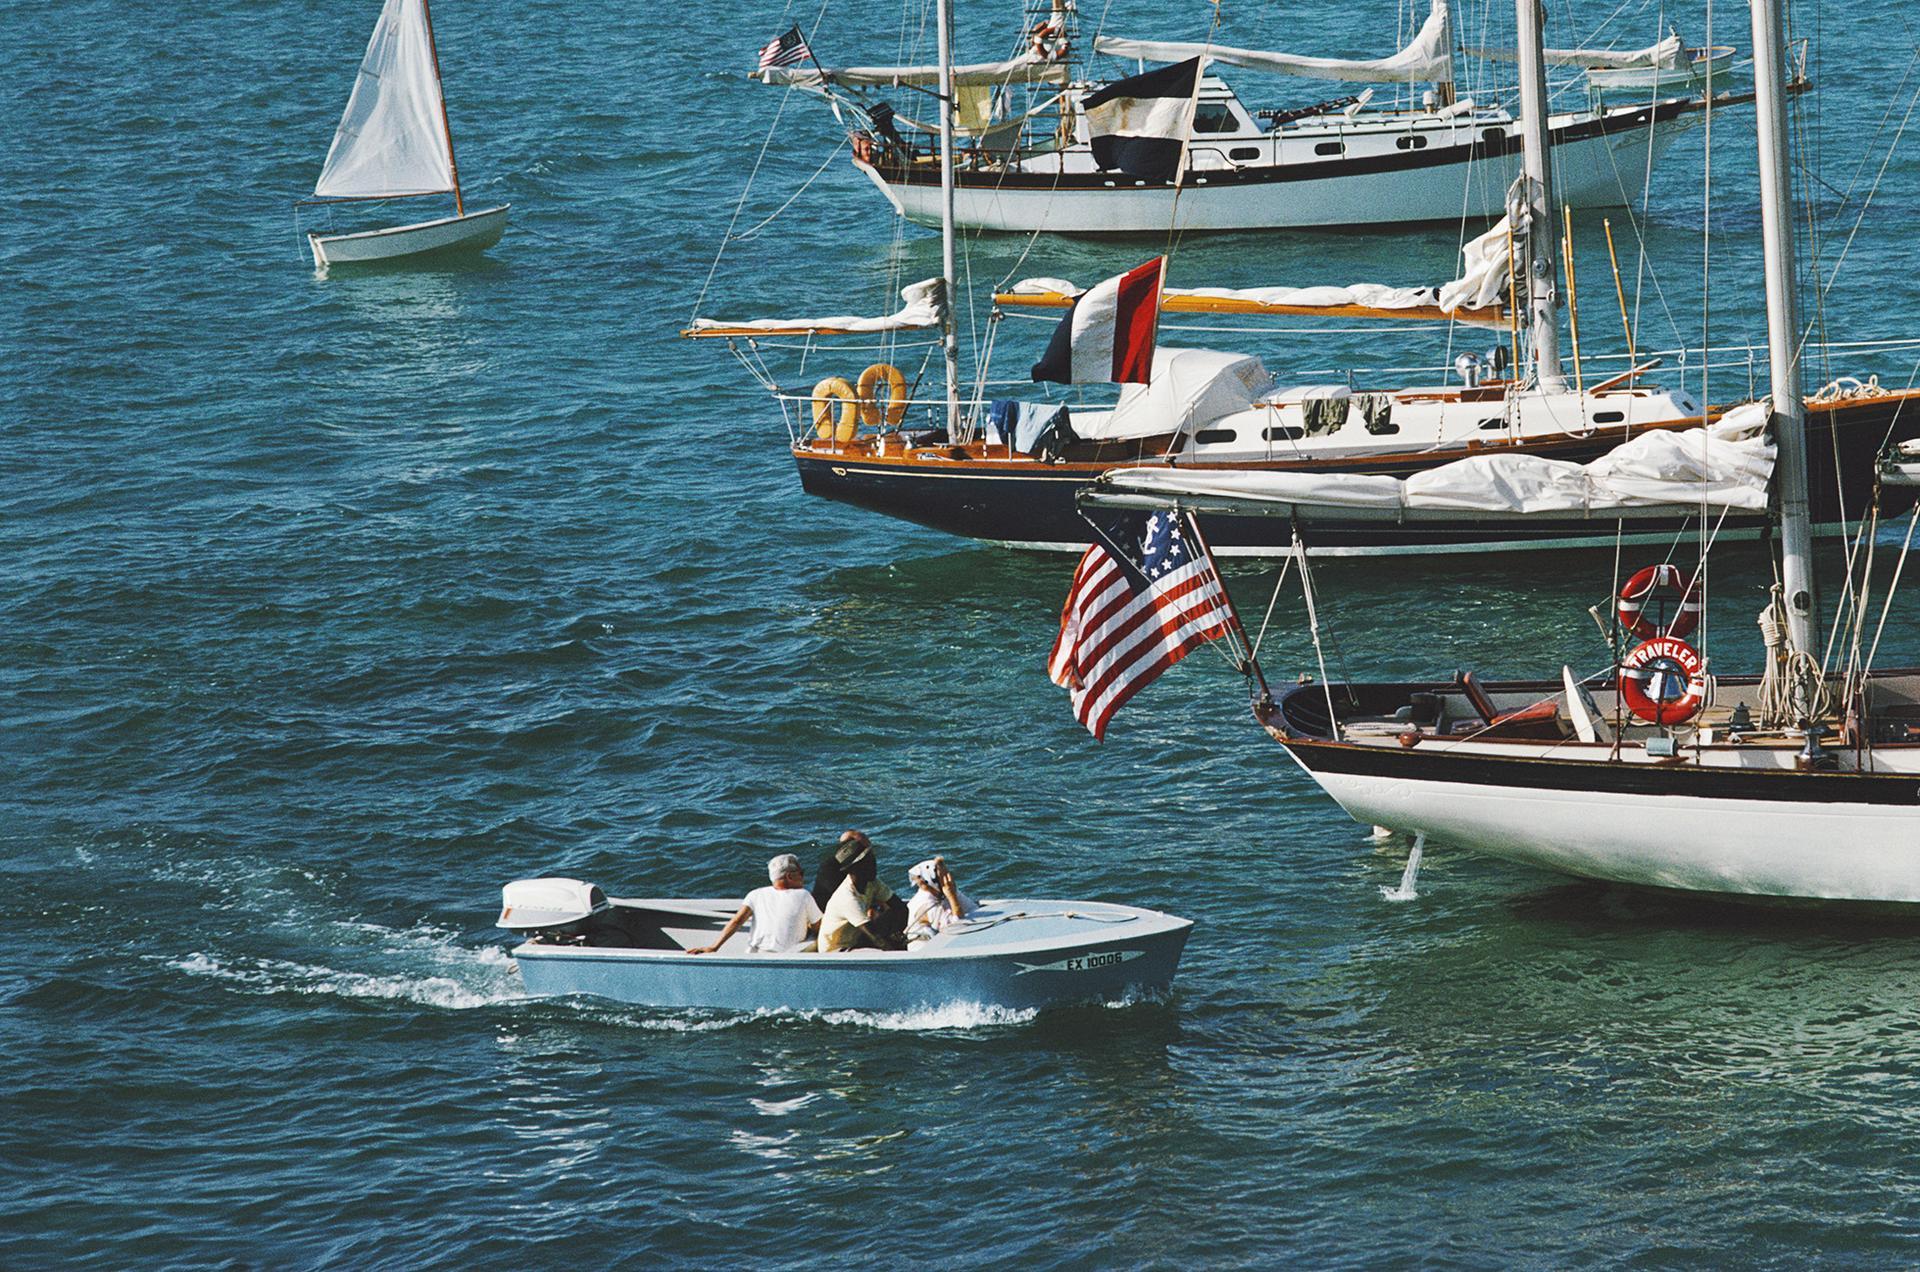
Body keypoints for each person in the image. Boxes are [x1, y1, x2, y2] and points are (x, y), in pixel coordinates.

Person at [688, 854, 822, 955]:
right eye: (801, 873)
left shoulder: (755, 894)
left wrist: (714, 947)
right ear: (789, 877)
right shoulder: (803, 895)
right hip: (787, 956)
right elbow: (819, 928)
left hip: (755, 954)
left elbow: (736, 921)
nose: (803, 878)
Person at [818, 836, 905, 952]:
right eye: (867, 861)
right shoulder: (847, 898)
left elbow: (900, 908)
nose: (873, 862)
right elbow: (875, 937)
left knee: (891, 916)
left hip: (856, 939)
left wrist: (897, 933)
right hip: (836, 950)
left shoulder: (872, 882)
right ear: (853, 869)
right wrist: (898, 953)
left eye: (871, 857)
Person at [905, 857, 976, 945]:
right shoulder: (926, 903)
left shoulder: (944, 890)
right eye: (944, 876)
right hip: (922, 946)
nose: (949, 879)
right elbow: (957, 925)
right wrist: (952, 896)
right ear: (931, 880)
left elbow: (973, 909)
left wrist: (952, 894)